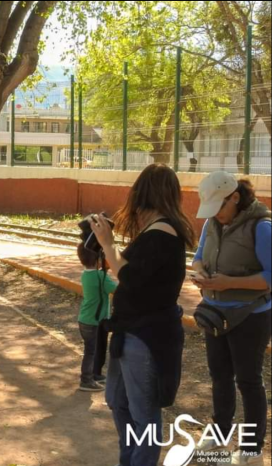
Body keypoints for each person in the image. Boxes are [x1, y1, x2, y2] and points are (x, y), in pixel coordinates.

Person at [89, 163, 195, 466]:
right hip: (132, 333)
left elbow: (130, 276)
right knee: (118, 402)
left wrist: (108, 245)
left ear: (144, 193)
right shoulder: (154, 231)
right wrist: (104, 244)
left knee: (145, 416)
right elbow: (130, 272)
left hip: (148, 338)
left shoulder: (163, 233)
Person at [191, 172, 271, 465]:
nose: (216, 215)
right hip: (216, 312)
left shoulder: (261, 227)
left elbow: (270, 277)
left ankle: (251, 447)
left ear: (234, 198)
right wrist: (201, 272)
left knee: (248, 380)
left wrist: (229, 284)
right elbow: (198, 255)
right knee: (219, 375)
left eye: (219, 208)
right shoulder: (212, 223)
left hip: (251, 316)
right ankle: (220, 431)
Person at [75, 243, 117, 392]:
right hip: (91, 320)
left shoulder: (86, 274)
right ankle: (86, 380)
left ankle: (93, 374)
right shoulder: (100, 276)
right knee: (90, 351)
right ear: (98, 258)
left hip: (85, 318)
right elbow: (115, 289)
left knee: (91, 349)